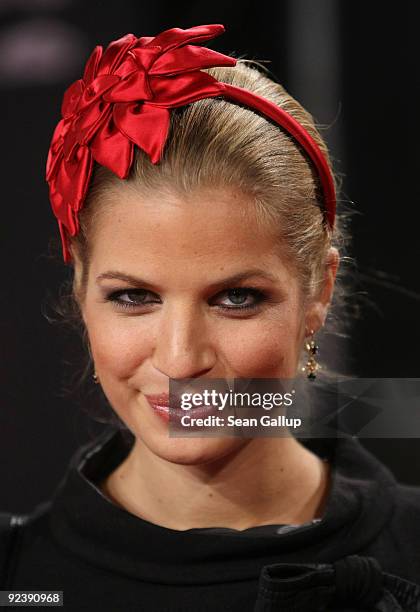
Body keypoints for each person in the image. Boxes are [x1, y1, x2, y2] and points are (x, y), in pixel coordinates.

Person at [1, 23, 420, 612]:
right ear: (80, 294)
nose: (180, 359)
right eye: (133, 297)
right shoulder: (19, 581)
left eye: (236, 299)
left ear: (318, 293)